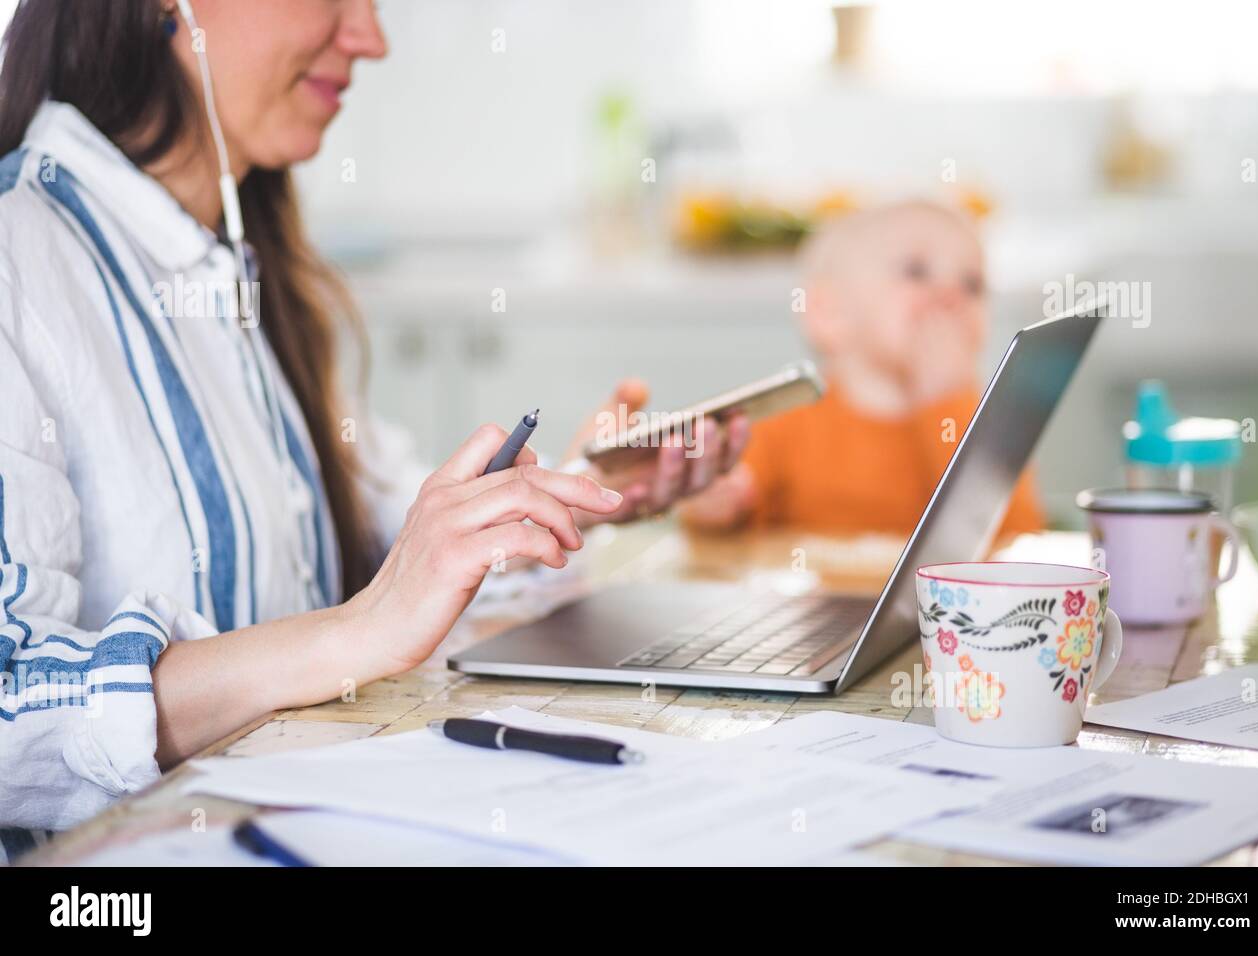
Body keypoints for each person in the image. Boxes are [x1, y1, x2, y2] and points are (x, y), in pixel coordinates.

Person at [0, 0, 746, 851]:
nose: (371, 38)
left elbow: (406, 566)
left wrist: (568, 498)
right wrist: (352, 632)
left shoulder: (242, 271)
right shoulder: (17, 258)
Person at [681, 200, 1043, 536]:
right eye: (916, 272)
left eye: (972, 284)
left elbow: (1016, 541)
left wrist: (947, 399)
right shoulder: (789, 420)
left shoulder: (979, 423)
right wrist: (716, 505)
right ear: (829, 313)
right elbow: (724, 527)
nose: (950, 294)